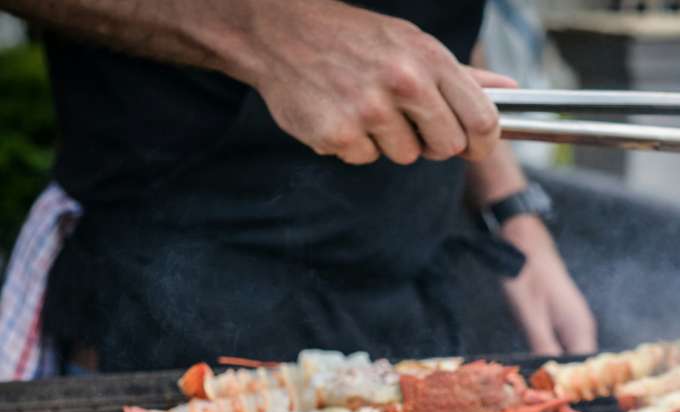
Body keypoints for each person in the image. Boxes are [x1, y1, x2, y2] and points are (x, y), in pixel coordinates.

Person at [0, 0, 597, 376]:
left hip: (412, 292)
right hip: (168, 303)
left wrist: (512, 211)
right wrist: (266, 29)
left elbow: (434, 35)